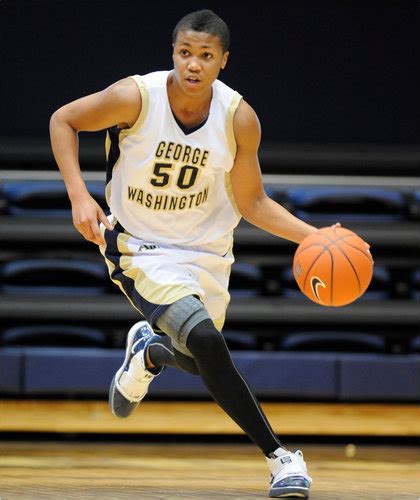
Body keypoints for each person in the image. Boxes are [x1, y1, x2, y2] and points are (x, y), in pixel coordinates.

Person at [50, 9, 316, 498]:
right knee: (209, 344)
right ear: (173, 53)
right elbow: (63, 120)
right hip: (140, 247)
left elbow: (252, 202)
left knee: (199, 358)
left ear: (223, 61)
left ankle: (150, 353)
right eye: (185, 53)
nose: (193, 65)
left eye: (206, 56)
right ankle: (281, 457)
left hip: (207, 253)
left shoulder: (239, 118)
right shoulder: (135, 97)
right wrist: (78, 195)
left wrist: (314, 237)